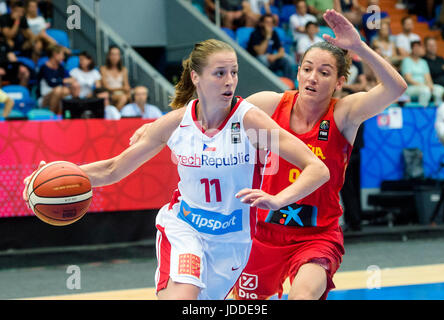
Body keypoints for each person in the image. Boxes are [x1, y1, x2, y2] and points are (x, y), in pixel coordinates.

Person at [23, 39, 330, 300]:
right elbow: (113, 169)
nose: (229, 81)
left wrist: (278, 199)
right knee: (183, 294)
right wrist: (49, 176)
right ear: (196, 77)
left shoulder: (250, 121)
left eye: (233, 72)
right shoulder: (176, 123)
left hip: (233, 241)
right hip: (185, 228)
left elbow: (317, 168)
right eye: (219, 73)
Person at [229, 9, 405, 300]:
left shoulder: (344, 114)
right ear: (297, 71)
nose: (313, 77)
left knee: (303, 296)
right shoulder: (268, 105)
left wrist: (359, 47)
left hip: (317, 235)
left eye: (324, 73)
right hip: (261, 234)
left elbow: (395, 87)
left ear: (339, 82)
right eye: (307, 69)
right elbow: (217, 120)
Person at [247, 13, 297, 82]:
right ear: (261, 24)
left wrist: (274, 57)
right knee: (263, 58)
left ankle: (289, 84)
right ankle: (265, 82)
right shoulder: (255, 34)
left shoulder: (274, 33)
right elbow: (260, 52)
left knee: (288, 60)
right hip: (256, 61)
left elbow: (281, 51)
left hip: (271, 58)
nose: (269, 25)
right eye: (267, 22)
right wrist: (268, 36)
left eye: (271, 23)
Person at [401, 40, 444, 107]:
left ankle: (437, 111)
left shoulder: (423, 62)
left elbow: (428, 77)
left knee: (440, 90)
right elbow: (408, 78)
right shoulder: (406, 61)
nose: (417, 49)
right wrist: (422, 85)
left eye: (419, 47)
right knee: (426, 91)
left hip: (424, 85)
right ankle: (422, 112)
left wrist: (430, 85)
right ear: (411, 49)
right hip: (411, 87)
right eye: (415, 48)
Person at [37, 44, 77, 114]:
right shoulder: (44, 68)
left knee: (68, 90)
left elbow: (66, 81)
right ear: (55, 54)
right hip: (44, 98)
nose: (63, 57)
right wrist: (65, 80)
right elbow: (51, 83)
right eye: (62, 55)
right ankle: (51, 115)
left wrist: (71, 81)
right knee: (58, 90)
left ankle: (62, 114)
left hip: (58, 94)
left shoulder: (61, 68)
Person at [98, 45, 131, 111]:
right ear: (109, 56)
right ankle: (116, 116)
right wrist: (122, 88)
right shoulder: (103, 69)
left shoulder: (124, 70)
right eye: (112, 54)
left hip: (121, 93)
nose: (115, 57)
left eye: (117, 54)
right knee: (123, 98)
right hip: (109, 94)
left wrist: (126, 90)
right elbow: (106, 87)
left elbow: (127, 86)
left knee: (135, 95)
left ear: (119, 57)